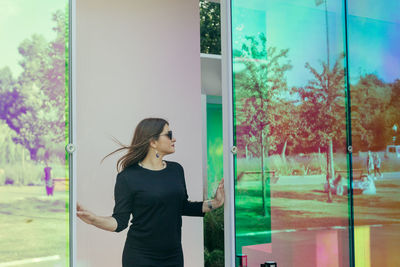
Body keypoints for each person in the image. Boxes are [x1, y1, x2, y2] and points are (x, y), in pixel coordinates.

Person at [76, 118, 225, 267]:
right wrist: (94, 220)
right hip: (140, 257)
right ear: (153, 142)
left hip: (173, 256)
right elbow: (119, 222)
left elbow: (182, 206)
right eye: (169, 134)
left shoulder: (176, 170)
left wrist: (216, 203)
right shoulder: (127, 177)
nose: (174, 139)